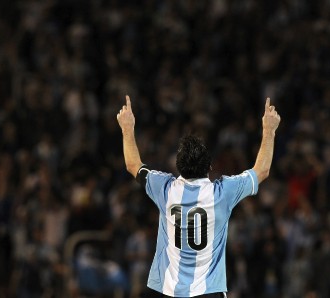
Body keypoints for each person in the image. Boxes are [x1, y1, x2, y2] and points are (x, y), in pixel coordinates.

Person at [117, 95, 280, 298]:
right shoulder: (223, 193)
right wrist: (269, 130)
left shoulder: (165, 189)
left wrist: (127, 128)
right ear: (210, 167)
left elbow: (132, 165)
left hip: (170, 292)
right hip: (208, 292)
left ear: (178, 166)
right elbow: (262, 170)